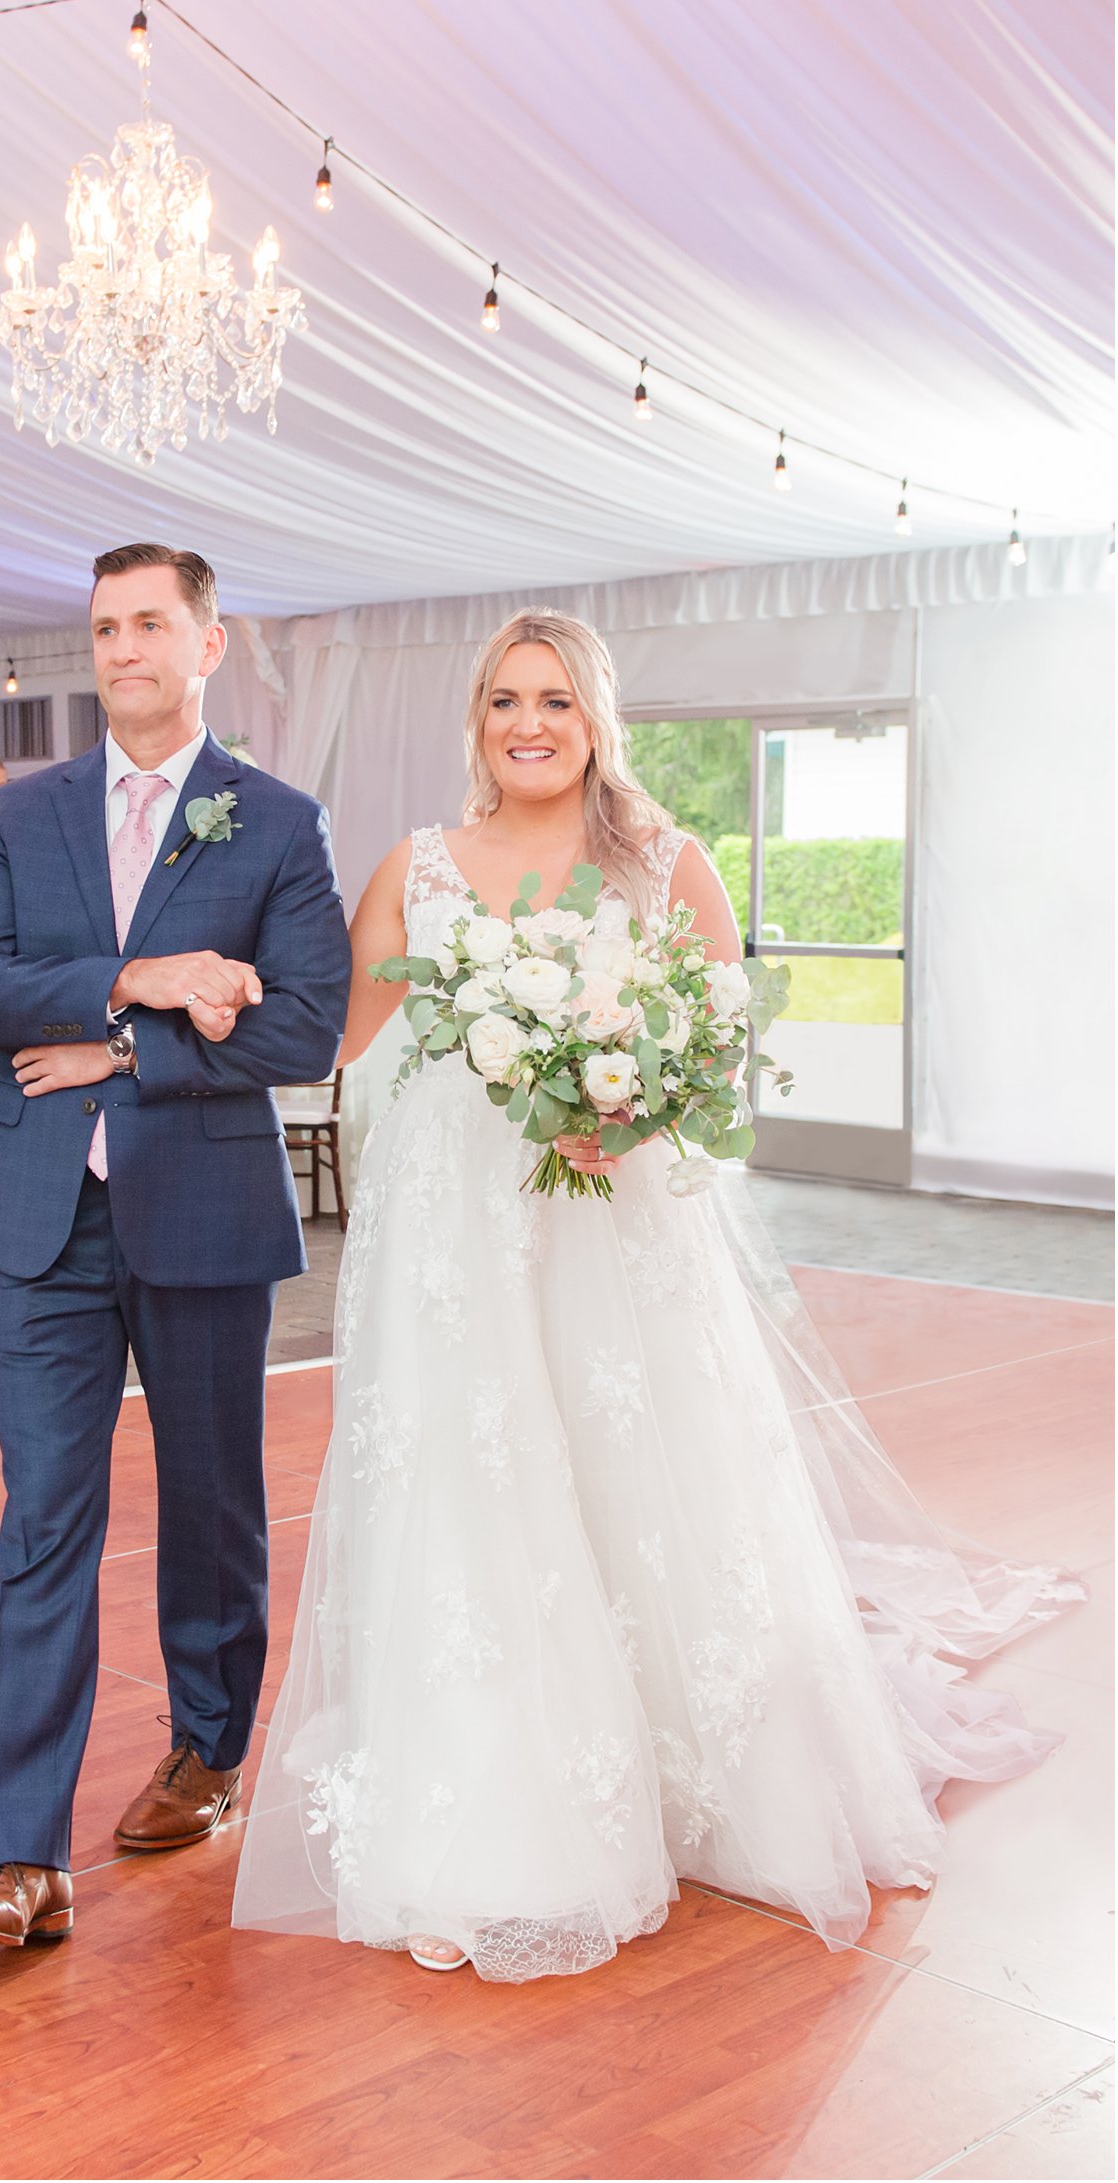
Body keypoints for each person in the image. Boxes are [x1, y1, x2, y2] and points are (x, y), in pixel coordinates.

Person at [232, 609, 1080, 1982]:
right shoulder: (419, 867)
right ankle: (491, 1816)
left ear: (594, 717)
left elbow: (724, 1040)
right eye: (506, 698)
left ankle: (698, 1773)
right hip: (461, 1249)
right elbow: (337, 1042)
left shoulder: (663, 863)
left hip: (611, 1236)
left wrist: (626, 1114)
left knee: (642, 1487)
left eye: (555, 699)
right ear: (477, 720)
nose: (529, 722)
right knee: (478, 1498)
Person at [0, 542, 350, 1949]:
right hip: (39, 1216)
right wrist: (139, 977)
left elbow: (299, 1026)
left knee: (213, 1499)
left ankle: (210, 1750)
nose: (123, 648)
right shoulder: (20, 813)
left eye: (150, 623)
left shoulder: (275, 819)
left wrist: (117, 1042)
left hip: (206, 1205)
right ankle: (24, 1854)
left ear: (207, 642)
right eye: (104, 626)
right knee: (45, 1517)